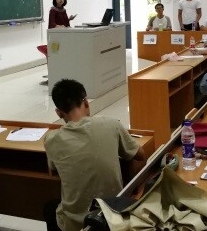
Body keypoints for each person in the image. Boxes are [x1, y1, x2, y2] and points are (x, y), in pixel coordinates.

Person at [43, 79, 145, 231]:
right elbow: (141, 155)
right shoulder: (111, 124)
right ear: (86, 102)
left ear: (58, 112)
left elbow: (53, 169)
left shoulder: (51, 139)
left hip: (76, 224)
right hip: (111, 217)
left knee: (49, 208)